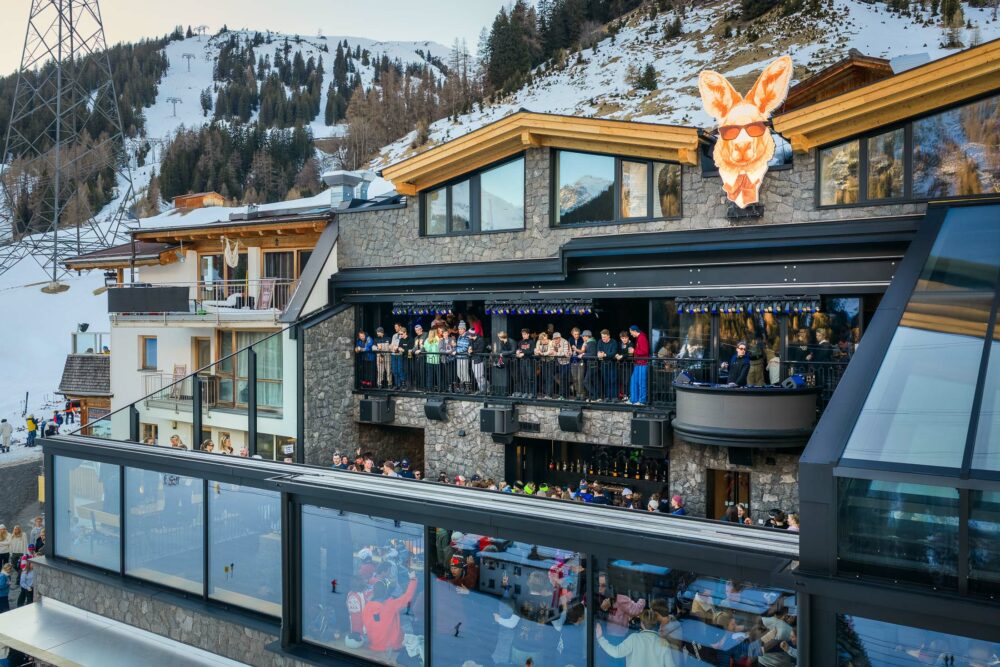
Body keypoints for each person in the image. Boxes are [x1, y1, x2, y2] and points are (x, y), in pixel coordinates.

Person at [362, 569, 419, 661]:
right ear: (386, 592)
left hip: (374, 645)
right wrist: (413, 579)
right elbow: (408, 596)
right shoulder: (391, 605)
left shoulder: (367, 607)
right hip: (391, 647)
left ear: (374, 592)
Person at [596, 609, 677, 667]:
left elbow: (616, 653)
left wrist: (600, 638)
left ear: (641, 624)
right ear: (656, 624)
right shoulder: (664, 643)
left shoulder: (634, 638)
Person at [628, 325, 650, 405]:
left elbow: (645, 351)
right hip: (638, 363)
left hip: (643, 363)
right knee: (634, 380)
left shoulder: (642, 338)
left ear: (634, 331)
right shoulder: (639, 338)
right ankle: (634, 400)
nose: (631, 334)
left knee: (641, 382)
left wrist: (634, 351)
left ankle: (642, 401)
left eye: (631, 332)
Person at [597, 330, 619, 402]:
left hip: (612, 364)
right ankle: (607, 396)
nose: (603, 338)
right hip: (604, 364)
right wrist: (600, 354)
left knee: (613, 380)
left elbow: (613, 353)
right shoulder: (600, 341)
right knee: (606, 380)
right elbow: (599, 351)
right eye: (602, 337)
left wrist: (605, 355)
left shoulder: (614, 342)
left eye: (604, 337)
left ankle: (614, 396)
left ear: (608, 336)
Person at [550, 332, 572, 399]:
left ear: (559, 338)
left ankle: (563, 395)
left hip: (566, 362)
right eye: (554, 339)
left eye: (556, 339)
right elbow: (552, 351)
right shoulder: (554, 342)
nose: (555, 340)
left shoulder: (565, 342)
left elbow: (566, 353)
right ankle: (563, 394)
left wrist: (556, 353)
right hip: (560, 362)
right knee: (560, 378)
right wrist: (554, 350)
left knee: (564, 378)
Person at [515, 329, 535, 398]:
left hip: (529, 362)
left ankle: (531, 393)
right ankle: (526, 392)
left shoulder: (531, 342)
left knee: (530, 378)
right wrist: (517, 352)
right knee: (524, 378)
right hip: (522, 362)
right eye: (522, 334)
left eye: (525, 334)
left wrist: (523, 354)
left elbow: (532, 351)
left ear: (528, 334)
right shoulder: (520, 342)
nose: (523, 335)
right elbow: (518, 349)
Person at [455, 321, 473, 392]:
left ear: (464, 329)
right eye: (459, 329)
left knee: (465, 372)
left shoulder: (466, 337)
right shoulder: (459, 336)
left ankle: (468, 388)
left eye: (461, 329)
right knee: (459, 373)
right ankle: (462, 387)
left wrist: (456, 351)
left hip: (464, 357)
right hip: (459, 357)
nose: (459, 330)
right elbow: (458, 346)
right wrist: (455, 348)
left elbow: (465, 348)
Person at [534, 332, 553, 398]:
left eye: (546, 339)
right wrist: (537, 352)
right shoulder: (538, 342)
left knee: (549, 377)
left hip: (550, 361)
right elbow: (536, 351)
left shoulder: (550, 342)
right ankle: (545, 392)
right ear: (540, 339)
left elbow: (550, 351)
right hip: (543, 361)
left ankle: (549, 394)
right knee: (544, 377)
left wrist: (542, 353)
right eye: (543, 339)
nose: (545, 340)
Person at [568, 327, 586, 399]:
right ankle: (577, 393)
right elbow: (569, 350)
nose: (577, 336)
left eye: (578, 334)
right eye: (575, 334)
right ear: (572, 334)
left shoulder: (582, 339)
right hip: (573, 360)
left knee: (580, 378)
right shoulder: (570, 340)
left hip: (580, 360)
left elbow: (583, 351)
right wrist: (569, 352)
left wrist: (576, 349)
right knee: (575, 378)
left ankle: (582, 394)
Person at [468, 329, 487, 394]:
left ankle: (485, 389)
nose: (468, 336)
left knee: (480, 376)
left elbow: (480, 350)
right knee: (477, 376)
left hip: (479, 359)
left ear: (472, 335)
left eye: (469, 335)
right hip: (473, 359)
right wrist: (469, 349)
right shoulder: (471, 340)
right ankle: (482, 389)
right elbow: (470, 347)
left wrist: (472, 351)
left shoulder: (481, 340)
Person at [424, 327, 441, 392]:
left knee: (438, 375)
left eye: (432, 333)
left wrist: (436, 340)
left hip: (437, 360)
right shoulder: (427, 340)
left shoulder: (437, 339)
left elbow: (439, 348)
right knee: (430, 375)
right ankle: (429, 389)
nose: (431, 334)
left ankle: (439, 388)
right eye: (430, 333)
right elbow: (427, 349)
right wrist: (431, 342)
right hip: (430, 360)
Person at [412, 323, 427, 390]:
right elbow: (415, 347)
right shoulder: (416, 338)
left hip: (424, 356)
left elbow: (426, 345)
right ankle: (419, 386)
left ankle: (424, 386)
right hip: (417, 357)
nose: (417, 331)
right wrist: (412, 350)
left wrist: (421, 350)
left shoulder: (426, 335)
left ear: (421, 329)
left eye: (418, 330)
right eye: (416, 330)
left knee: (423, 371)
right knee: (418, 371)